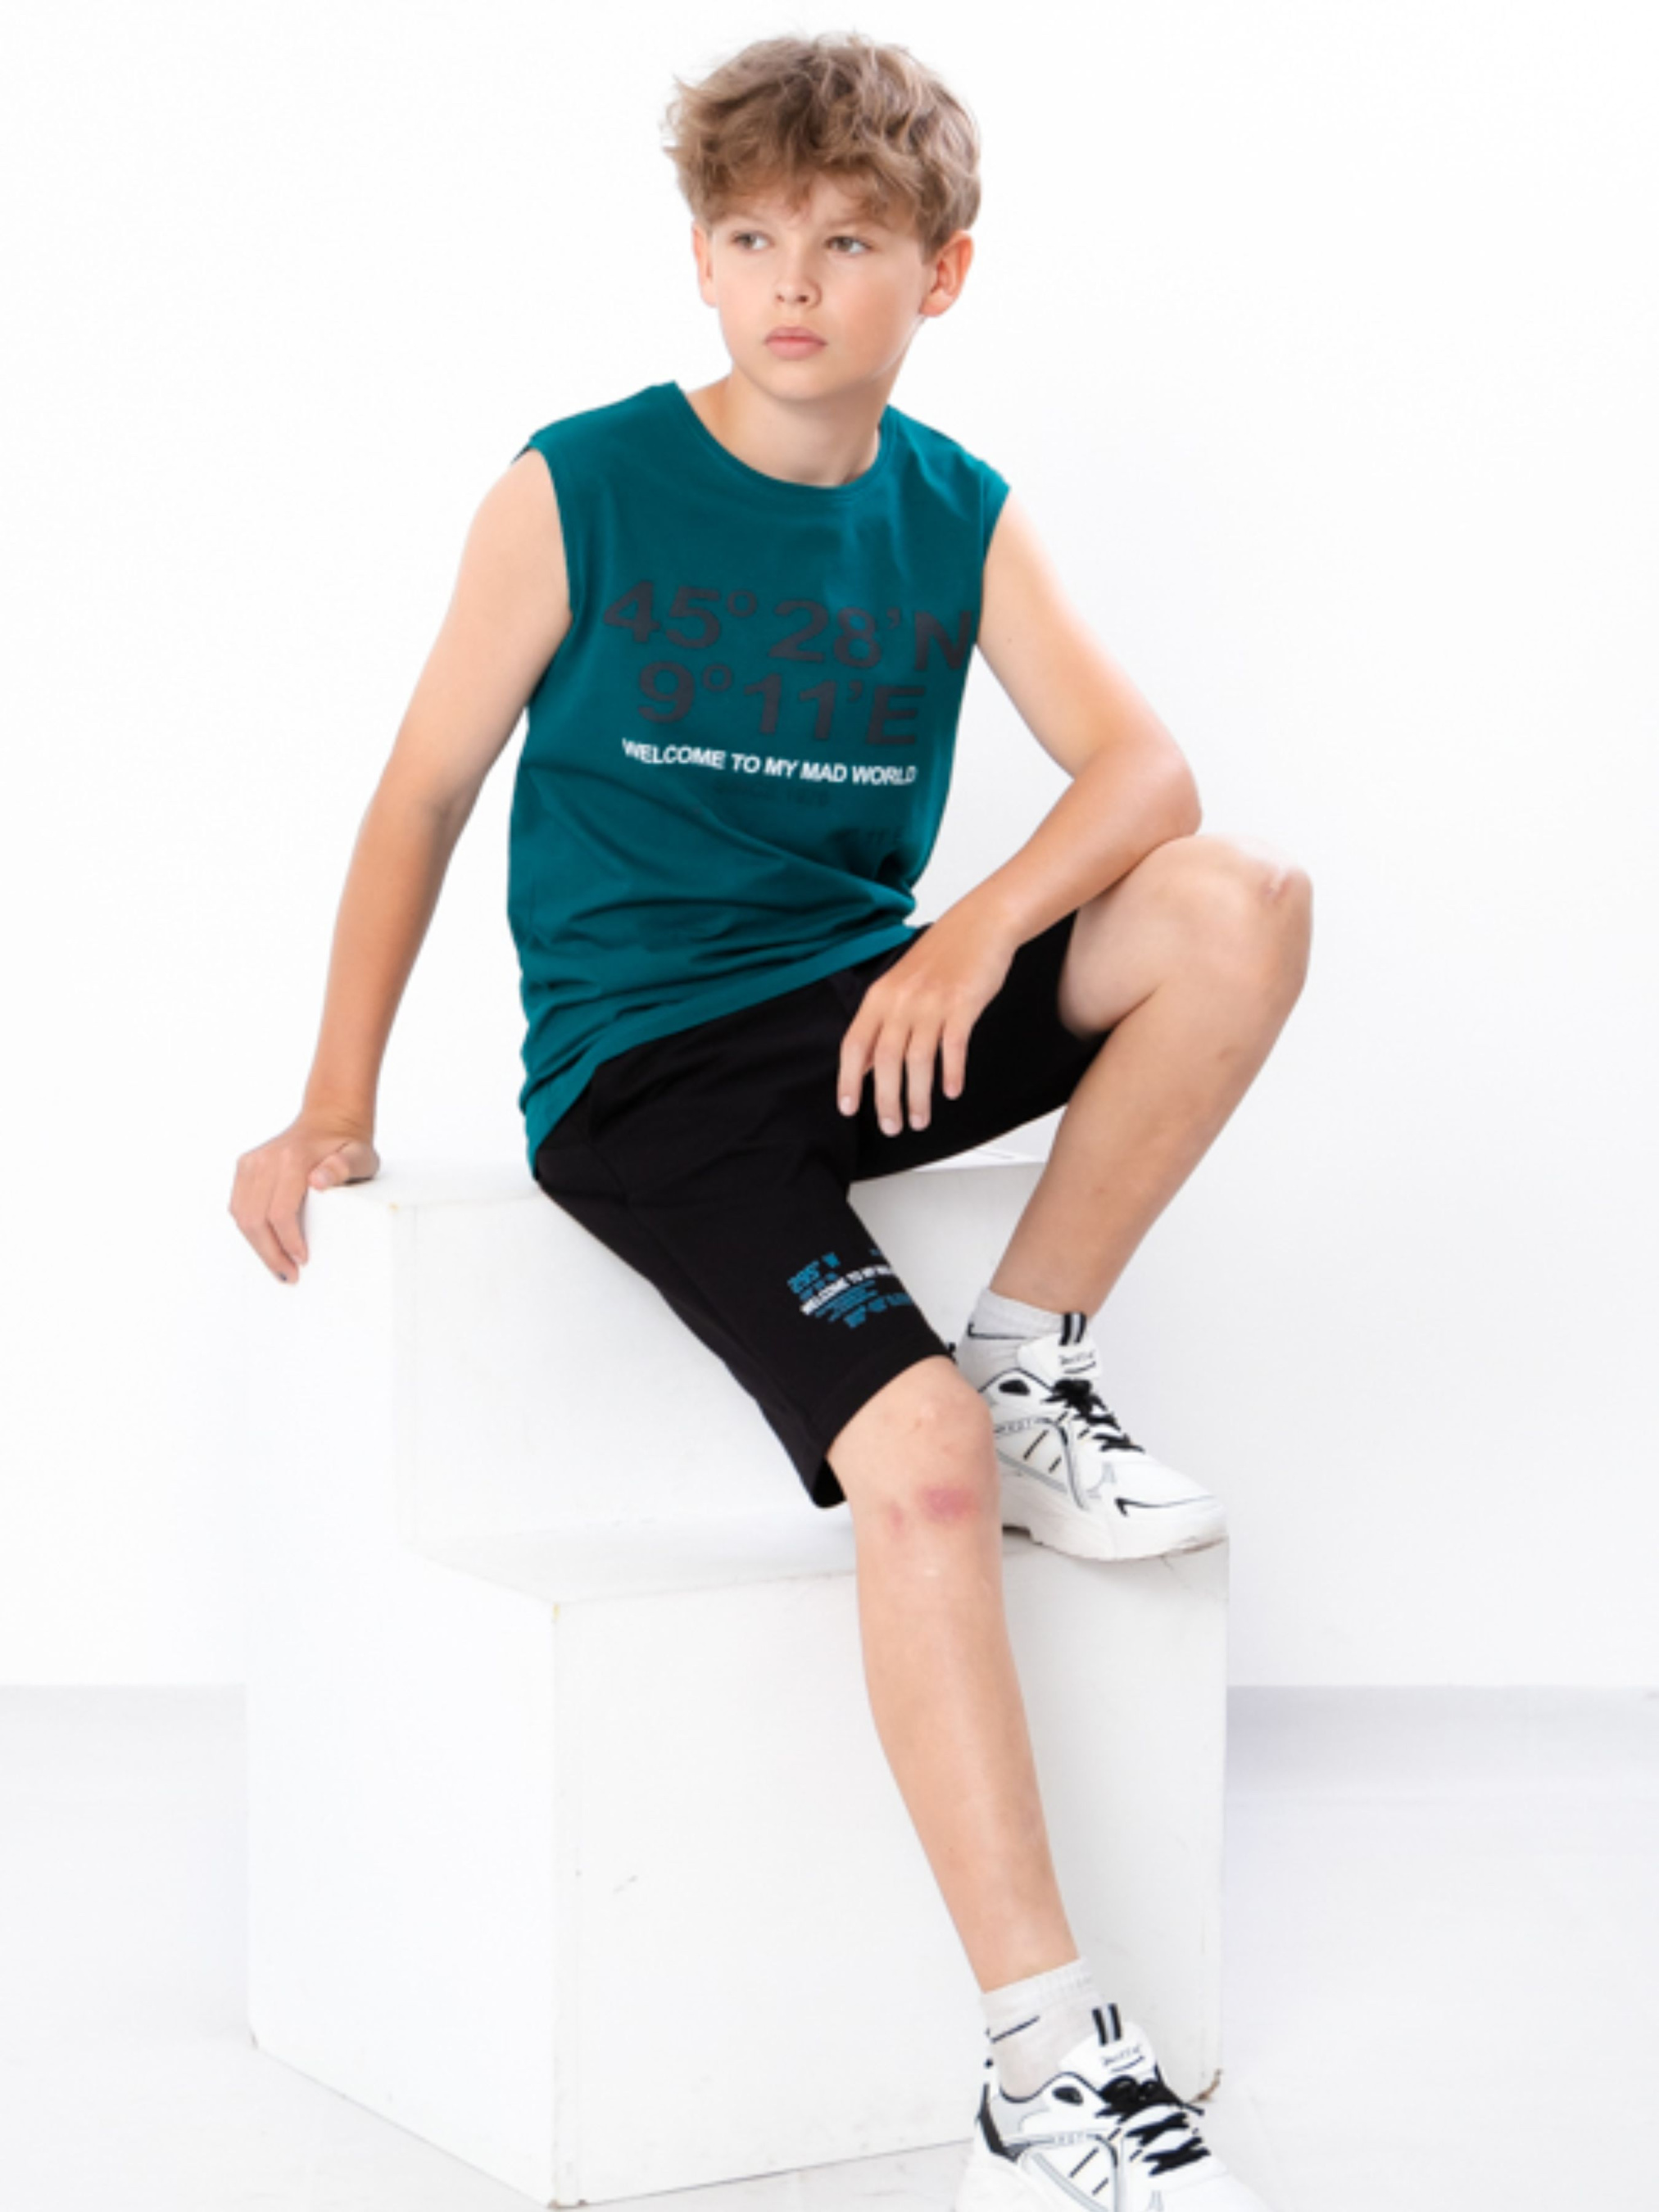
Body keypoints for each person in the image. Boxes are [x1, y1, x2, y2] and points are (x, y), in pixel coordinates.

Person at [229, 31, 1311, 2209]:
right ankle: (1043, 2050)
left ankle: (1036, 1353)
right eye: (747, 238)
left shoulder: (956, 511)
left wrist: (969, 933)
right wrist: (328, 1102)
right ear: (700, 262)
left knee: (1236, 904)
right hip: (648, 1074)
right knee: (911, 1462)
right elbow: (421, 792)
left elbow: (1147, 772)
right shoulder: (579, 486)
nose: (792, 282)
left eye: (846, 240)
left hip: (857, 1012)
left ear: (943, 271)